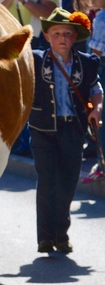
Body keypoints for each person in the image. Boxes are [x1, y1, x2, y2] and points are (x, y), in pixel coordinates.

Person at [30, 7, 103, 254]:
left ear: (75, 37)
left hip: (74, 128)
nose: (62, 38)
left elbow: (95, 89)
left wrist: (96, 109)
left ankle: (61, 235)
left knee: (68, 183)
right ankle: (45, 237)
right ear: (47, 36)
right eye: (57, 33)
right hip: (43, 128)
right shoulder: (35, 59)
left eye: (67, 34)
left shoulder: (87, 62)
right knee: (47, 181)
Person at [2, 0, 59, 157]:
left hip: (37, 43)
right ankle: (18, 140)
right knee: (14, 93)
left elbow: (50, 13)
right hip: (13, 43)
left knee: (38, 93)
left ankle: (35, 142)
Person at [84, 0, 105, 182]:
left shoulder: (101, 18)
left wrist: (89, 77)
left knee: (101, 117)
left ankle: (102, 163)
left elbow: (95, 54)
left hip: (102, 69)